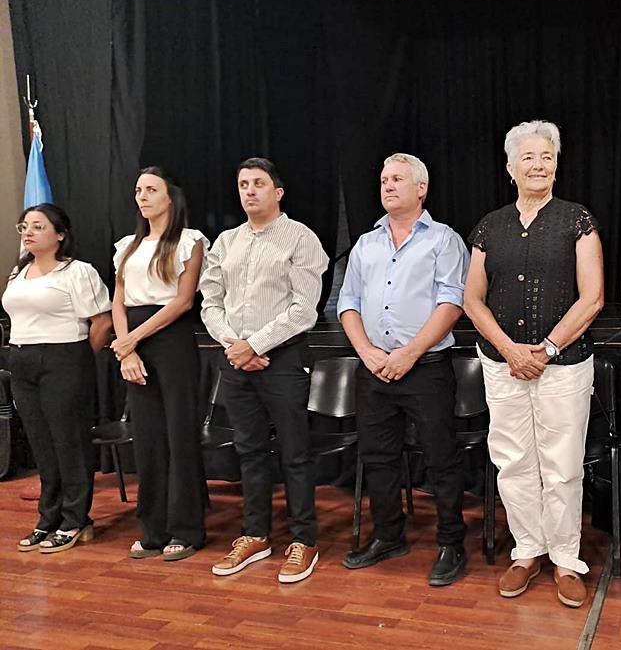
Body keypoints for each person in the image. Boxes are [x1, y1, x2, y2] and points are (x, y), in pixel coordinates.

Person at [463, 120, 604, 608]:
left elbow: (592, 297)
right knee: (513, 461)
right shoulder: (489, 226)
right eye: (528, 157)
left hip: (563, 365)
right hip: (501, 364)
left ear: (557, 165)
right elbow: (472, 299)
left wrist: (545, 349)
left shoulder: (577, 220)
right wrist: (509, 349)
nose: (538, 165)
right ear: (510, 168)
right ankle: (527, 551)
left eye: (546, 156)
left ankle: (565, 559)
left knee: (562, 465)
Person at [338, 153, 470, 586]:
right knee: (378, 457)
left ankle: (451, 543)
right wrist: (366, 351)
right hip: (374, 367)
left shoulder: (444, 240)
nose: (388, 186)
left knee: (441, 457)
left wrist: (410, 353)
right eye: (383, 180)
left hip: (426, 367)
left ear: (421, 189)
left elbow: (452, 302)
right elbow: (348, 302)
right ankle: (388, 536)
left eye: (397, 179)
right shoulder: (365, 244)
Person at [200, 157, 328, 584]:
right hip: (236, 358)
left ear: (278, 192)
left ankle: (304, 539)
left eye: (258, 183)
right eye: (243, 184)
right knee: (249, 450)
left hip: (284, 359)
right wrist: (235, 346)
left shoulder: (301, 238)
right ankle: (255, 535)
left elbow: (304, 309)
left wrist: (254, 345)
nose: (250, 190)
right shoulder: (226, 242)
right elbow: (210, 303)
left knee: (294, 452)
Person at [112, 166, 208, 561]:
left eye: (151, 189)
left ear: (171, 197)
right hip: (133, 342)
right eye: (138, 190)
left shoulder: (190, 241)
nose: (142, 196)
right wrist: (126, 349)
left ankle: (186, 529)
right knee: (147, 436)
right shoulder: (126, 246)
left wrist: (132, 339)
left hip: (171, 339)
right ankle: (152, 529)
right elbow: (118, 301)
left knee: (179, 434)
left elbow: (183, 301)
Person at [3, 204, 111, 553]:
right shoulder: (19, 272)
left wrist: (77, 361)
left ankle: (75, 519)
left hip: (64, 358)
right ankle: (48, 517)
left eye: (38, 226)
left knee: (68, 441)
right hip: (22, 359)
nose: (28, 232)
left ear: (60, 234)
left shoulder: (77, 272)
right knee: (41, 442)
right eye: (24, 226)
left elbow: (102, 321)